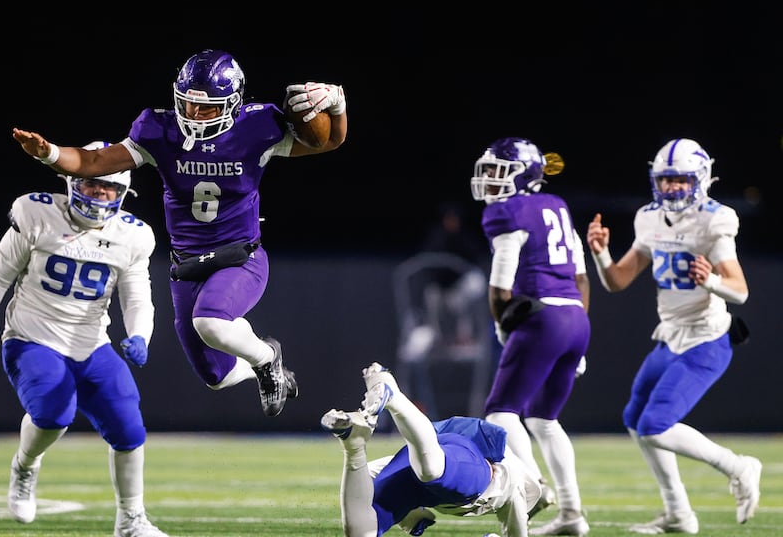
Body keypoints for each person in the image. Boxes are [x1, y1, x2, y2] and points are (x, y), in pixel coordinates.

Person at [11, 48, 348, 417]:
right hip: (186, 266)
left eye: (206, 108)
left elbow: (329, 141)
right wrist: (49, 153)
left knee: (210, 321)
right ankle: (262, 362)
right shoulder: (159, 131)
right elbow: (93, 163)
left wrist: (338, 106)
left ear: (232, 104)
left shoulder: (257, 128)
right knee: (217, 376)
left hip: (240, 257)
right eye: (189, 105)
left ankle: (267, 358)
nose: (195, 114)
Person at [0, 142, 168, 537]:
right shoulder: (37, 214)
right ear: (72, 182)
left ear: (123, 193)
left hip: (91, 344)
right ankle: (25, 465)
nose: (99, 193)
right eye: (91, 184)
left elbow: (138, 297)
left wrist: (140, 336)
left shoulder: (133, 236)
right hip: (31, 337)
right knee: (54, 414)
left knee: (129, 427)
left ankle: (131, 519)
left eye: (108, 187)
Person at [585, 137, 761, 534]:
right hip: (670, 336)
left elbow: (740, 290)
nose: (672, 187)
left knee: (655, 423)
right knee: (635, 419)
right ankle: (678, 513)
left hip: (706, 339)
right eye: (666, 179)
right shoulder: (649, 218)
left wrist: (712, 281)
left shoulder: (715, 219)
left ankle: (739, 467)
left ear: (701, 179)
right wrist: (600, 253)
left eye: (681, 179)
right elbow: (617, 281)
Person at [470, 137, 591, 536]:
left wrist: (503, 327)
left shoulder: (506, 212)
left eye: (498, 171)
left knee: (500, 412)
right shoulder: (557, 205)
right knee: (544, 419)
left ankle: (534, 486)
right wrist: (575, 330)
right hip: (576, 319)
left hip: (541, 318)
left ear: (524, 174)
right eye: (488, 170)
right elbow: (581, 278)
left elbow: (500, 288)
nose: (489, 178)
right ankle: (572, 515)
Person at [321, 361, 542, 537]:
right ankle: (393, 395)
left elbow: (370, 472)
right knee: (431, 472)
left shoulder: (515, 485)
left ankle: (354, 444)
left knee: (361, 532)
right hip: (464, 463)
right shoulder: (513, 485)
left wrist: (409, 515)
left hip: (422, 472)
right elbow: (517, 522)